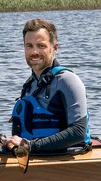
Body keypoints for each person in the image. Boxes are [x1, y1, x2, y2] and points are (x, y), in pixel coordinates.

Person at [5, 19, 90, 153]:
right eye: (29, 46)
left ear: (54, 48)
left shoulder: (68, 81)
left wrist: (29, 146)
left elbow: (78, 131)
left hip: (63, 161)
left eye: (41, 46)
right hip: (34, 157)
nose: (34, 52)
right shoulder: (29, 85)